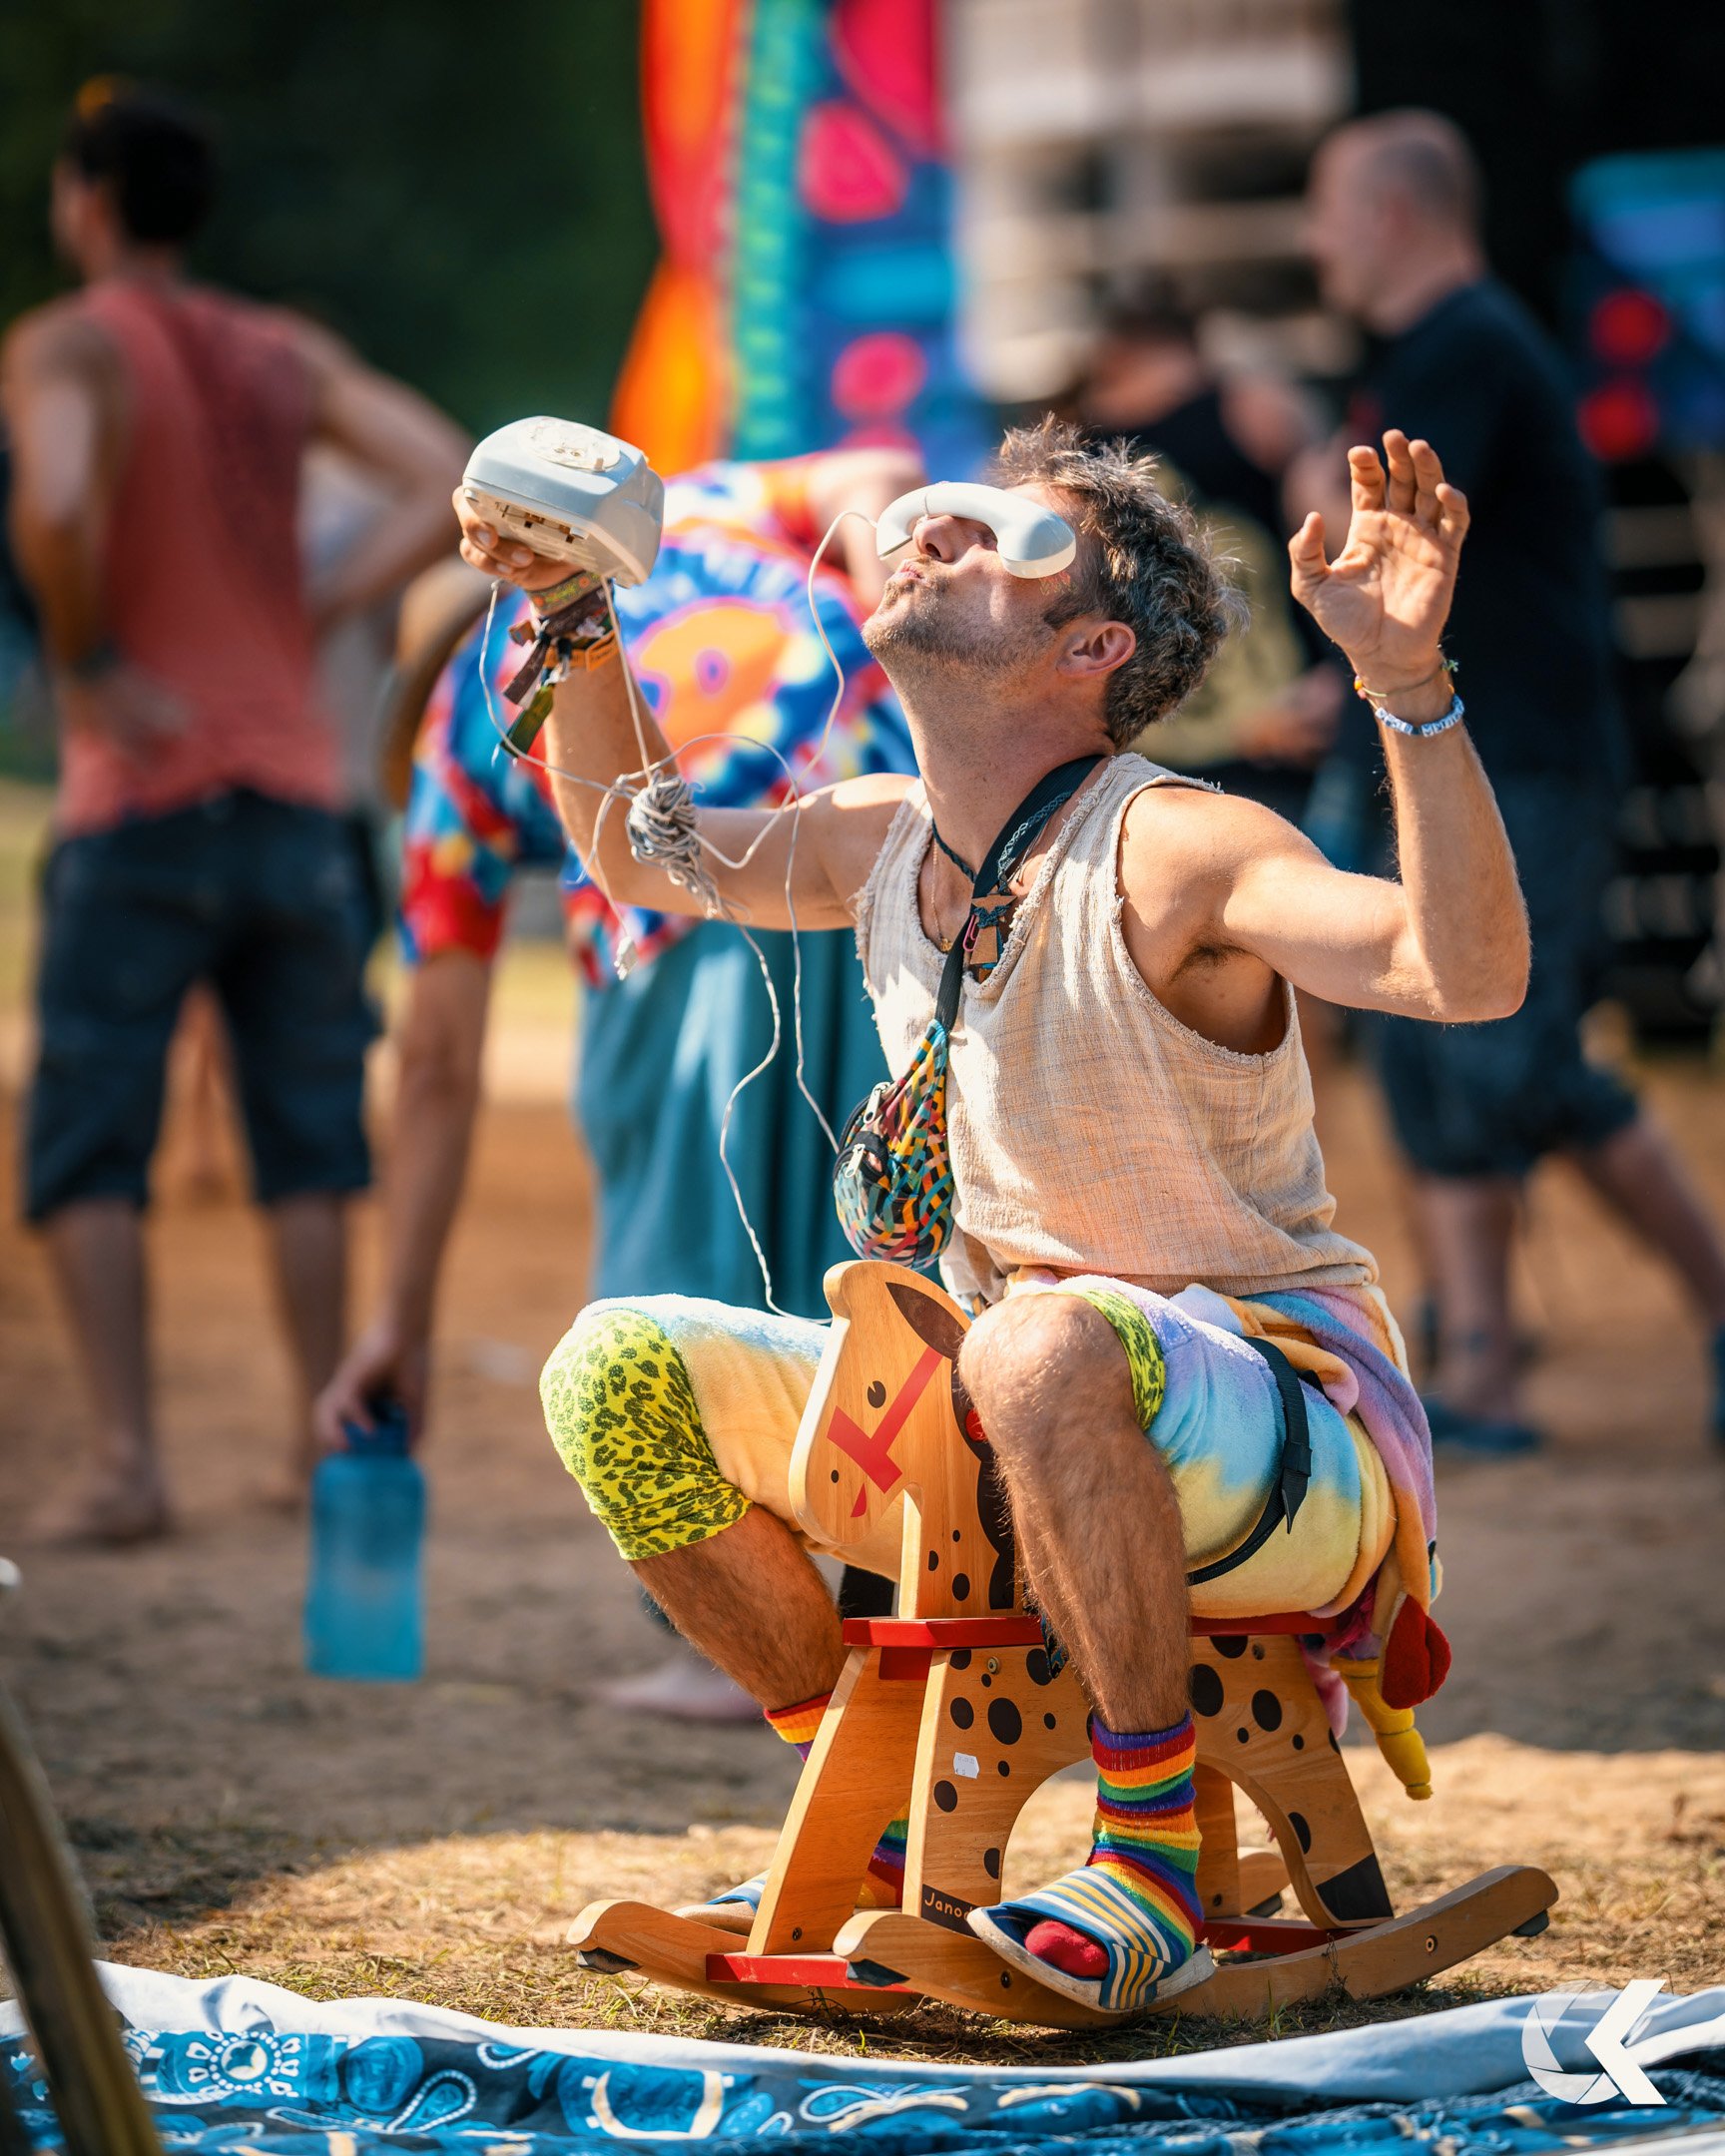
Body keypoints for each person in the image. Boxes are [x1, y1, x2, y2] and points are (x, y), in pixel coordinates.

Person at [457, 413, 1519, 2012]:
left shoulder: (1183, 846)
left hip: (1293, 1429)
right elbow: (643, 851)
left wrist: (1407, 688)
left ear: (1089, 645)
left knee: (1034, 1342)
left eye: (1007, 540)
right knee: (615, 1375)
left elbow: (1468, 975)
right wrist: (577, 615)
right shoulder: (887, 833)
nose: (932, 532)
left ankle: (1151, 1856)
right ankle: (871, 1815)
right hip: (1008, 1409)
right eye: (947, 516)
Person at [315, 448, 921, 1717]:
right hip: (892, 858)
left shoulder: (471, 719)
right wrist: (892, 653)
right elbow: (884, 468)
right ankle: (932, 1601)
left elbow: (432, 1060)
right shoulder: (696, 504)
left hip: (681, 905)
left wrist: (399, 1324)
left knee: (680, 1257)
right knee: (897, 1252)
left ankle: (752, 1637)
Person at [3, 83, 468, 1543]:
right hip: (293, 802)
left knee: (88, 1133)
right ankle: (312, 1443)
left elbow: (61, 496)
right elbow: (451, 470)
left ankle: (131, 1465)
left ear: (85, 201)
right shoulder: (281, 350)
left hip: (136, 798)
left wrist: (86, 658)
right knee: (311, 1138)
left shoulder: (67, 344)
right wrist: (322, 599)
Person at [1301, 109, 1725, 1449]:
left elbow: (1376, 543)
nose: (1316, 242)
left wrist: (1289, 447)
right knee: (1433, 1053)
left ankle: (1716, 1302)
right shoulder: (1436, 351)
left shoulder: (1468, 350)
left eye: (1328, 211)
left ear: (1390, 216)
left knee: (1515, 1052)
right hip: (1445, 742)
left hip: (1520, 755)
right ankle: (1479, 1366)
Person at [1080, 287, 1343, 818]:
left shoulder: (1072, 465)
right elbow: (1338, 535)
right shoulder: (1256, 407)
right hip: (1288, 721)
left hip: (1167, 764)